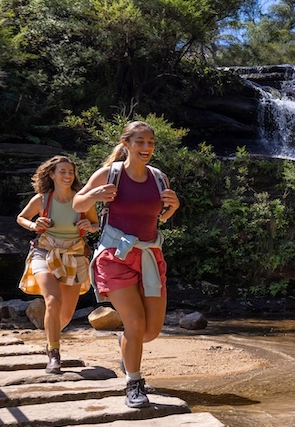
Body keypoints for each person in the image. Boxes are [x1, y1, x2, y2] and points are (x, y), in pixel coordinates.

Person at [74, 121, 179, 408]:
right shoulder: (110, 174)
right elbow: (78, 204)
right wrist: (94, 196)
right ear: (126, 144)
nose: (146, 147)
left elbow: (162, 216)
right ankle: (134, 384)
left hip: (149, 256)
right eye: (140, 141)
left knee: (150, 331)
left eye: (150, 142)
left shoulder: (159, 178)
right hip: (115, 256)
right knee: (134, 322)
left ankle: (126, 345)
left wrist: (174, 206)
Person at [16, 156, 100, 374]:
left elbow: (96, 224)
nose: (67, 175)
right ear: (52, 174)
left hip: (75, 254)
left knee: (66, 314)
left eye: (70, 172)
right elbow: (21, 218)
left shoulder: (83, 200)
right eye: (62, 171)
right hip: (45, 252)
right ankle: (54, 353)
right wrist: (34, 225)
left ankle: (50, 337)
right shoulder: (42, 200)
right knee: (53, 301)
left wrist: (89, 226)